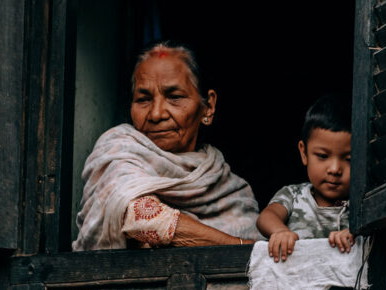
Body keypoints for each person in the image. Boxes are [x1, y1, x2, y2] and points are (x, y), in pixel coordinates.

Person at [73, 42, 260, 250]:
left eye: (174, 97)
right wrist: (244, 249)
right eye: (143, 99)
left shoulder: (232, 190)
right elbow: (142, 219)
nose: (156, 114)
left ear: (208, 106)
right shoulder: (117, 150)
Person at [256, 94, 354, 262]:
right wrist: (281, 232)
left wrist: (356, 234)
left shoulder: (362, 205)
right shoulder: (293, 195)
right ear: (304, 152)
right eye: (323, 156)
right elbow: (266, 217)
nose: (335, 169)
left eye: (349, 159)